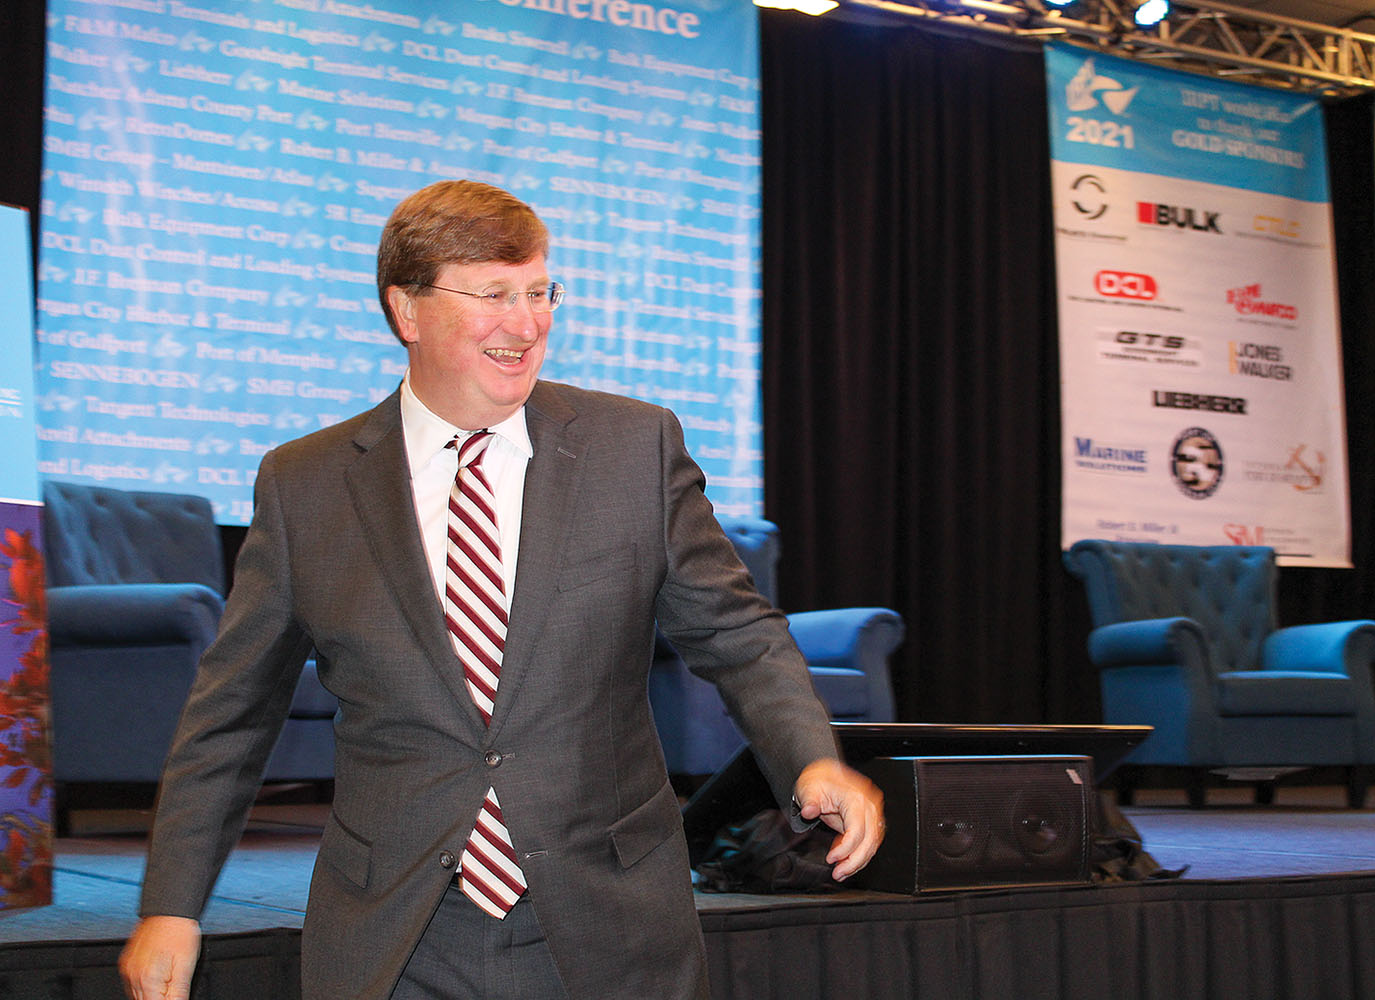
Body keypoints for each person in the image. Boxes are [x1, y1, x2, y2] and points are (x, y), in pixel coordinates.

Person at [118, 179, 884, 1000]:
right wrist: (172, 905)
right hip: (398, 931)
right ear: (406, 311)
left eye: (538, 292)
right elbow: (232, 714)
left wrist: (810, 756)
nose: (525, 325)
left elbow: (738, 633)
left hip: (608, 916)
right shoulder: (305, 486)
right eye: (492, 295)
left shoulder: (634, 447)